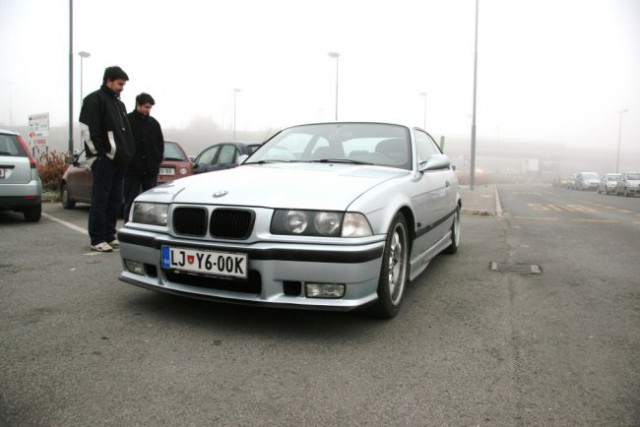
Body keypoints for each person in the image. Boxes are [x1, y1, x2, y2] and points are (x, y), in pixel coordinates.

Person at [79, 66, 135, 252]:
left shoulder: (119, 105)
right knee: (100, 199)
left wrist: (128, 153)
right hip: (103, 160)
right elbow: (88, 129)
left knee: (115, 199)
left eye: (124, 84)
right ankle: (97, 239)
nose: (122, 88)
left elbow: (124, 133)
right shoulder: (93, 100)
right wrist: (99, 154)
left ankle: (110, 236)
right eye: (120, 83)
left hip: (119, 161)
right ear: (108, 80)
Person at [123, 93, 165, 222]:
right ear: (138, 105)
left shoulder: (154, 123)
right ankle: (128, 226)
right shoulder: (127, 121)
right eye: (146, 107)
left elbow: (160, 143)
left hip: (150, 169)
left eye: (150, 108)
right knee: (131, 200)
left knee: (151, 201)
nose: (148, 110)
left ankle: (149, 227)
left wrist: (157, 160)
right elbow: (123, 142)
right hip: (132, 169)